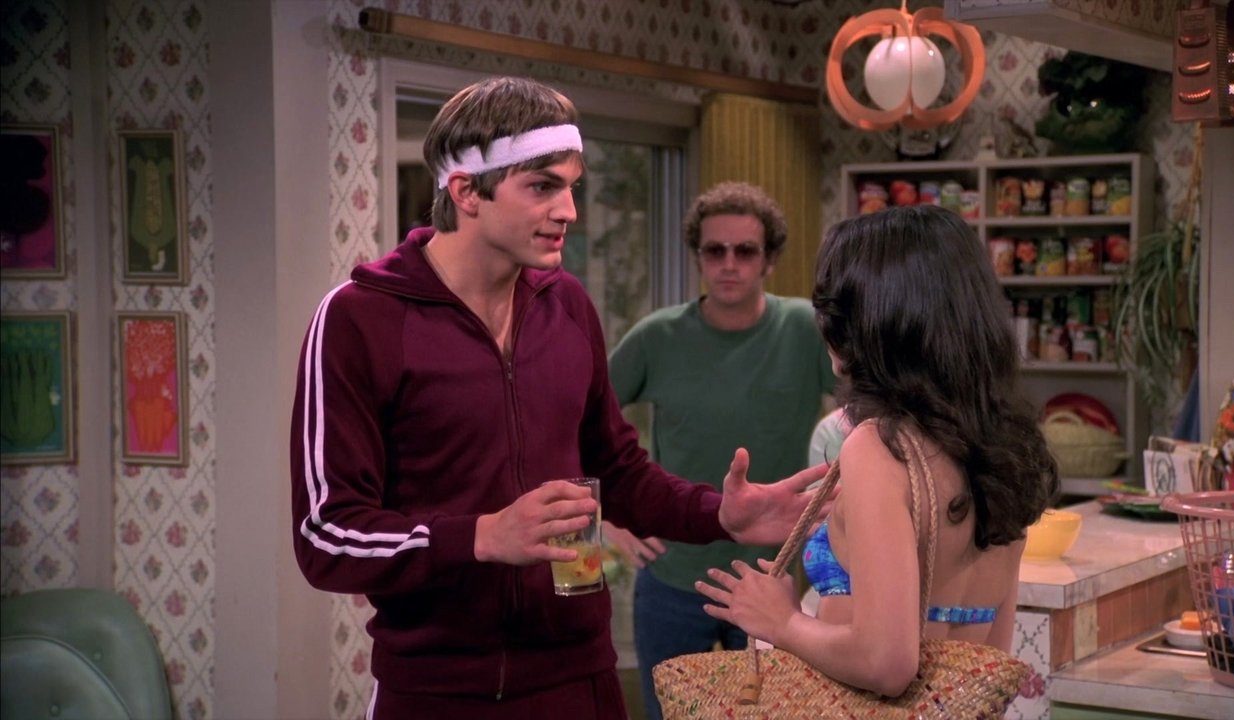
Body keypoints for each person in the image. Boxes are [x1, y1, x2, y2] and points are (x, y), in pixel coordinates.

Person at [288, 76, 829, 720]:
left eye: (572, 186)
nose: (569, 210)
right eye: (543, 186)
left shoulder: (566, 304)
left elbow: (617, 471)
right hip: (437, 688)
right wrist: (482, 536)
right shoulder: (359, 319)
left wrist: (719, 516)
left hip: (580, 675)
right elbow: (327, 535)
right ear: (466, 191)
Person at [696, 205, 1059, 697]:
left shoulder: (879, 448)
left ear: (869, 321)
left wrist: (782, 621)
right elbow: (996, 662)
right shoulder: (1005, 447)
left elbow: (886, 663)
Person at [603, 181, 837, 719]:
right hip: (673, 577)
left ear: (769, 260)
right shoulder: (657, 337)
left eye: (745, 251)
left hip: (772, 579)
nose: (729, 264)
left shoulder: (804, 329)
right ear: (698, 257)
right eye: (715, 250)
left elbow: (867, 413)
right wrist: (610, 516)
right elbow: (575, 423)